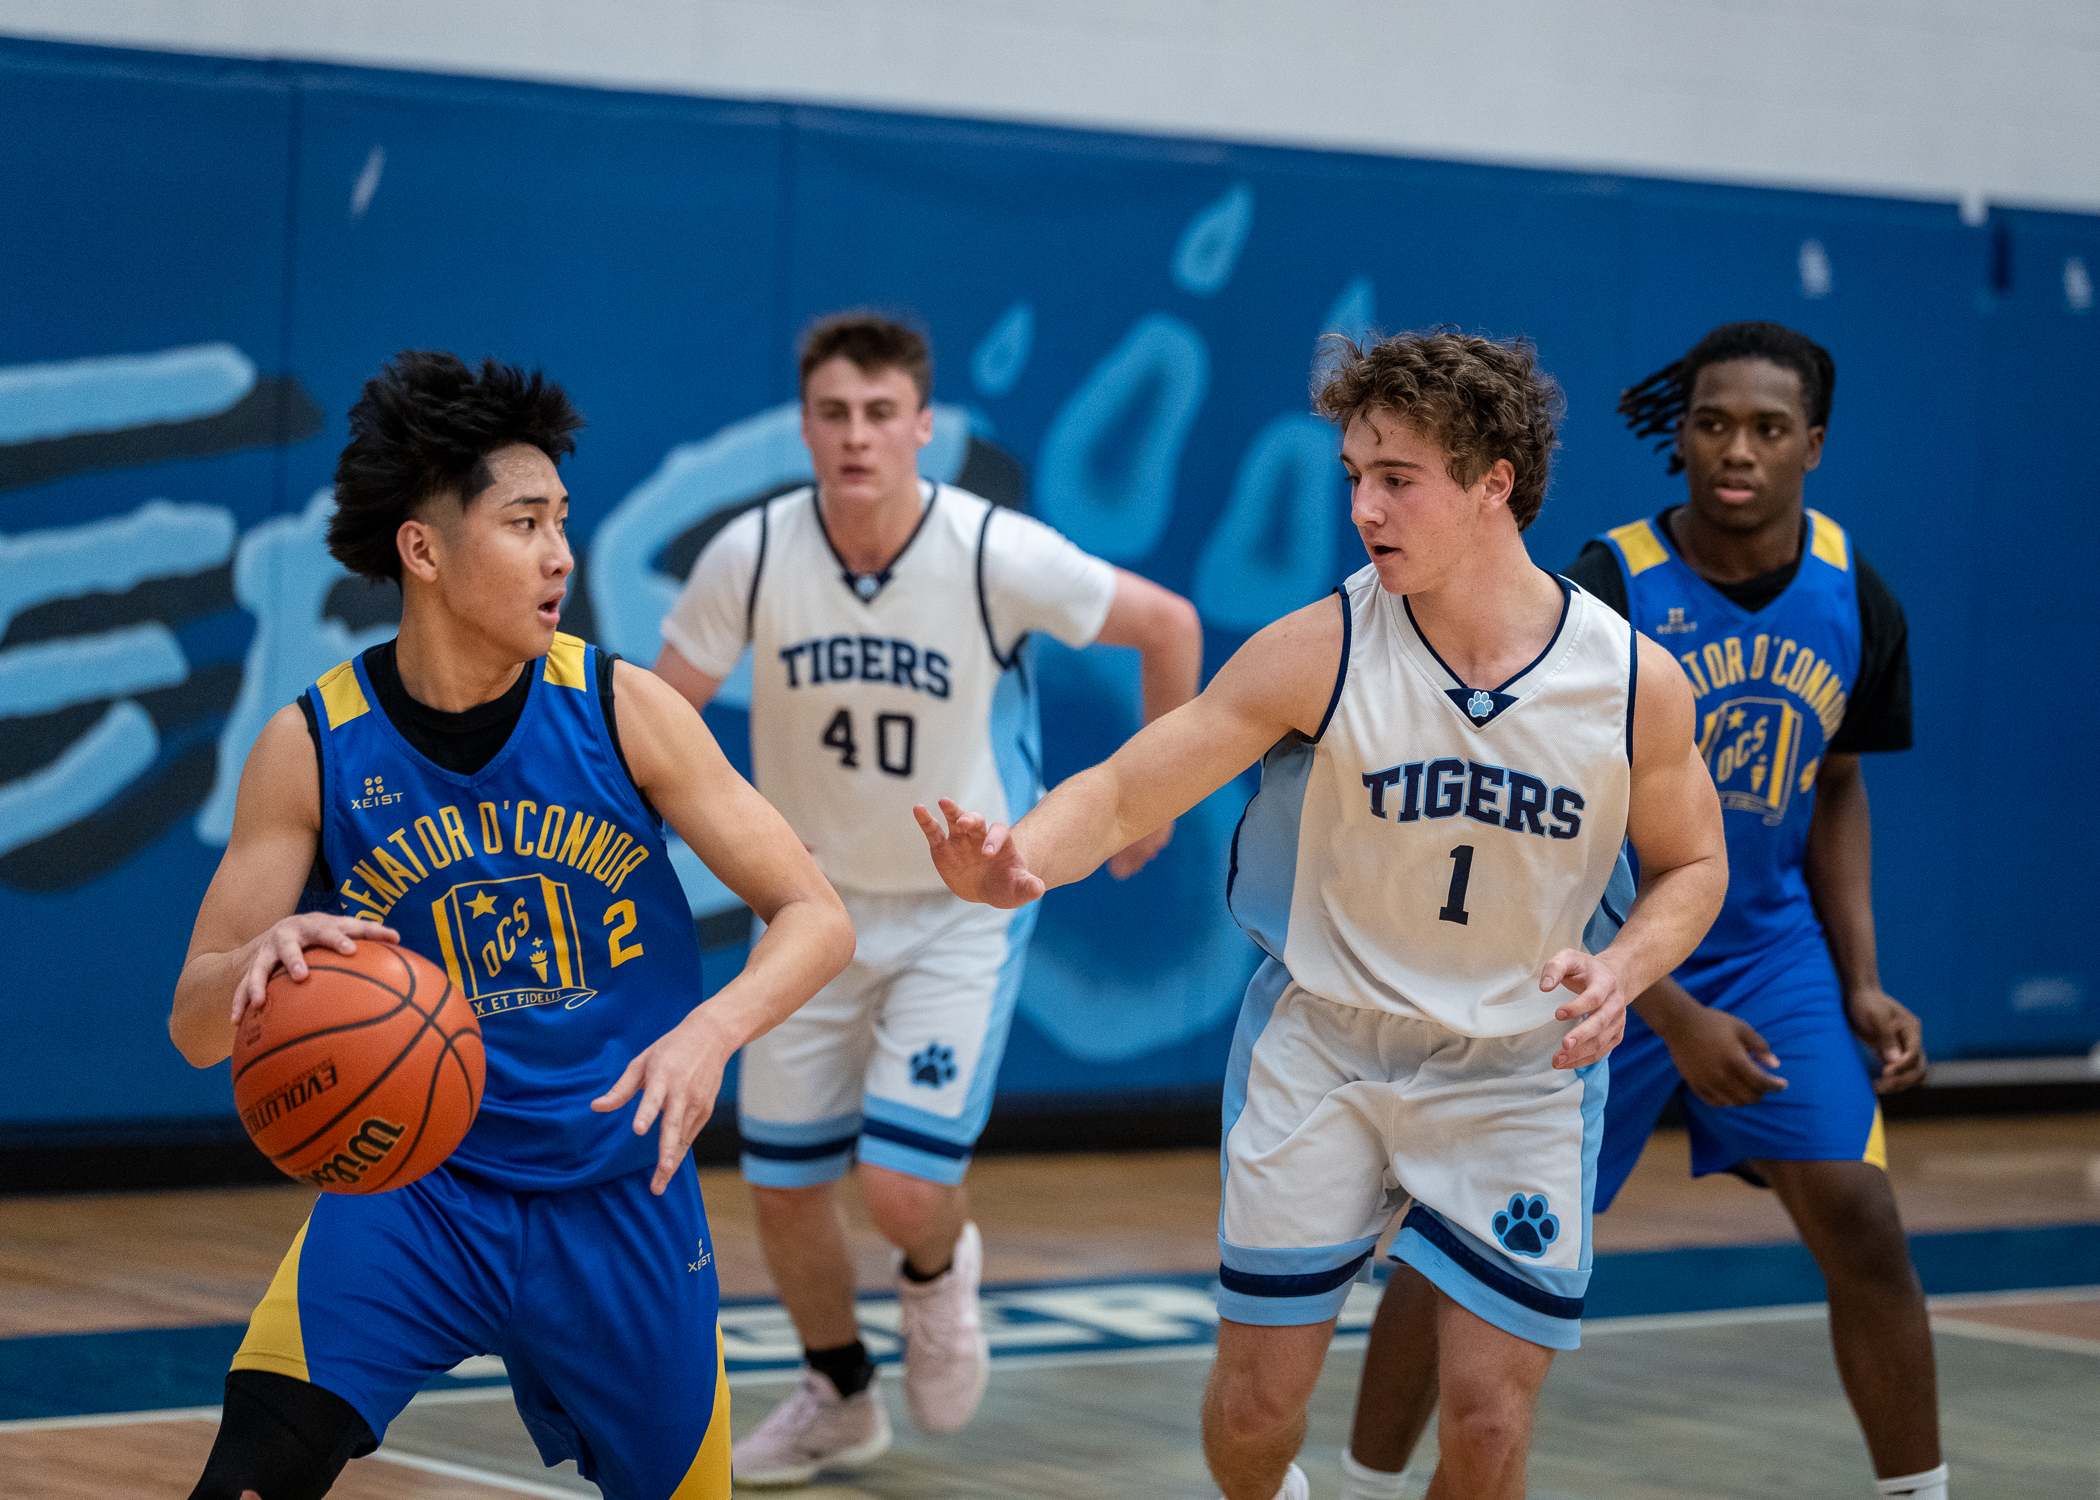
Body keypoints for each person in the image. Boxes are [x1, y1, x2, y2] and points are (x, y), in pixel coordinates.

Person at [917, 330, 1728, 1500]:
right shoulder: (1323, 647)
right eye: (1354, 476)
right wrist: (1017, 858)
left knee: (1489, 1423)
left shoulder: (1633, 681)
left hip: (1520, 1067)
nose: (1363, 508)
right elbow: (1127, 789)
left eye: (1397, 478)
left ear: (1494, 483)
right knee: (1254, 1415)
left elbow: (1693, 865)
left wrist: (1628, 968)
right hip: (1328, 1048)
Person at [168, 351, 854, 1500]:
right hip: (416, 1190)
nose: (559, 554)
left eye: (562, 521)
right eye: (525, 522)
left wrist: (709, 1034)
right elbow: (194, 1027)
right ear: (424, 550)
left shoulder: (624, 710)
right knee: (249, 1477)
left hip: (621, 1192)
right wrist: (253, 964)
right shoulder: (313, 745)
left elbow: (815, 916)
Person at [1339, 321, 1945, 1500]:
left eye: (1768, 428)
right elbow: (1538, 838)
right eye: (1712, 423)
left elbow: (1838, 788)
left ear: (1814, 444)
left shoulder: (1854, 593)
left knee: (1863, 1219)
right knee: (1455, 1250)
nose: (1737, 449)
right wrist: (1662, 1008)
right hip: (1588, 959)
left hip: (1767, 954)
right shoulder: (1608, 584)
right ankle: (1366, 1485)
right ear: (1680, 436)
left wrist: (1861, 980)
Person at [653, 313, 1203, 1485]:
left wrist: (1154, 804)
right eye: (834, 415)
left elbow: (1168, 625)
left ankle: (936, 1271)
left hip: (962, 911)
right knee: (783, 1188)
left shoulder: (992, 551)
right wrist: (693, 825)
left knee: (902, 1189)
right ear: (806, 428)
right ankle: (839, 1395)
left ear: (921, 427)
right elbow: (659, 715)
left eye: (879, 414)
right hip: (811, 909)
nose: (856, 436)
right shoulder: (751, 554)